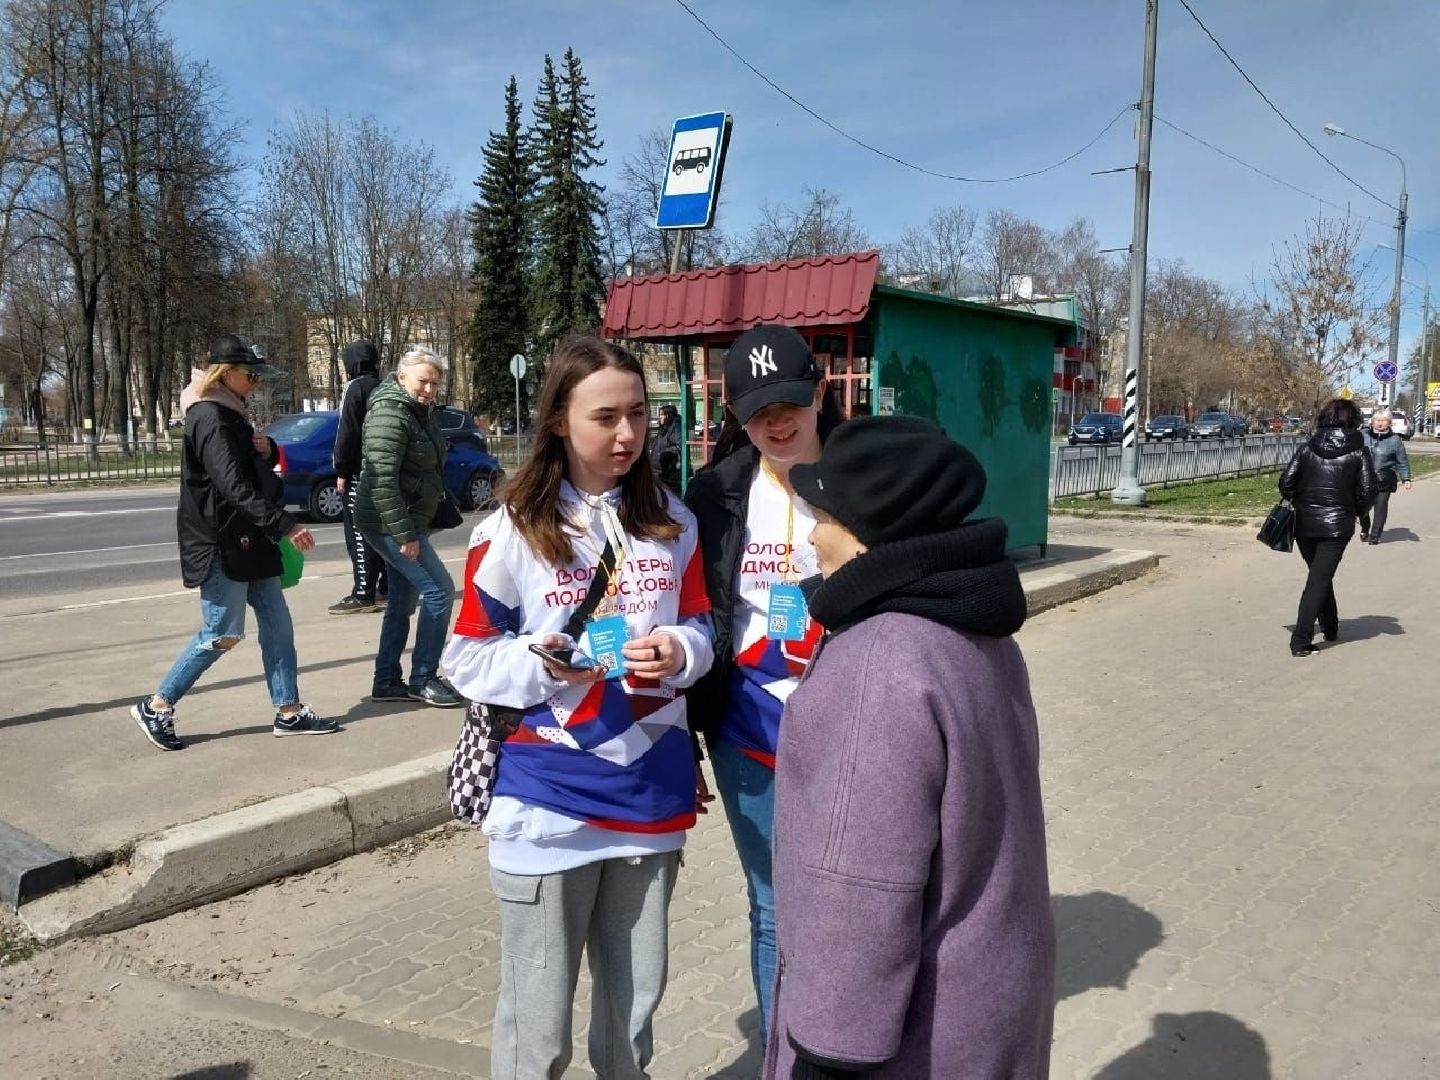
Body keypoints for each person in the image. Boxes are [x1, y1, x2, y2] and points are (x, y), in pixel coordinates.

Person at [442, 335, 714, 1080]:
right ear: (559, 419)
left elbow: (700, 629)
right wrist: (540, 659)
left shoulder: (674, 523)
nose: (628, 434)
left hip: (650, 792)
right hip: (547, 800)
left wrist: (679, 653)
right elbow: (463, 658)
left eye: (639, 415)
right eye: (606, 417)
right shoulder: (511, 530)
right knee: (540, 1037)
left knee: (629, 1030)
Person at [765, 415, 1055, 1080]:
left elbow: (861, 894)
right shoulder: (979, 634)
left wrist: (823, 1056)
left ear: (869, 531)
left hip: (912, 1043)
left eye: (824, 516)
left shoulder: (878, 663)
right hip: (987, 1010)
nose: (812, 535)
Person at [684, 323, 843, 1042]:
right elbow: (696, 606)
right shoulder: (714, 493)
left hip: (851, 722)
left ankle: (850, 1040)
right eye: (756, 410)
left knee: (846, 897)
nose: (776, 422)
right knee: (774, 901)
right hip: (747, 723)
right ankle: (785, 1056)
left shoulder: (864, 474)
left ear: (817, 392)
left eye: (787, 403)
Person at [131, 335, 332, 751]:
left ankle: (288, 712)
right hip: (220, 539)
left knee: (277, 623)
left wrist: (269, 446)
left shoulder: (232, 414)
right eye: (251, 375)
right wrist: (285, 525)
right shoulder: (210, 417)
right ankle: (157, 705)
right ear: (226, 374)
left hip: (248, 537)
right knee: (221, 632)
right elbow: (233, 486)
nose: (257, 383)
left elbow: (249, 468)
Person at [352, 346, 463, 707]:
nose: (429, 390)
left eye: (434, 383)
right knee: (440, 592)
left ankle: (386, 681)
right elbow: (382, 479)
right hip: (388, 522)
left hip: (404, 519)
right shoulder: (390, 413)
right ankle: (423, 678)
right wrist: (404, 535)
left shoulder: (416, 410)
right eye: (422, 381)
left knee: (402, 601)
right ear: (402, 378)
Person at [1279, 398, 1378, 657]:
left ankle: (1331, 626)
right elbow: (1369, 492)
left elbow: (1286, 484)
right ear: (1353, 420)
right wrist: (1354, 510)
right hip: (1337, 527)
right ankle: (1300, 640)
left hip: (1304, 524)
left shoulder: (1307, 448)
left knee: (1319, 575)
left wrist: (1303, 501)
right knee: (1318, 579)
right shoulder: (1359, 451)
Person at [329, 340, 388, 614]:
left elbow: (347, 431)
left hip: (359, 474)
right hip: (385, 474)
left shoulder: (356, 388)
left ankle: (364, 592)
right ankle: (386, 588)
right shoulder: (386, 386)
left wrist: (341, 470)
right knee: (384, 532)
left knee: (359, 533)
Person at [1358, 408, 1412, 544]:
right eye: (1377, 420)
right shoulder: (1363, 436)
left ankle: (1375, 536)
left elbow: (1402, 460)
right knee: (1362, 507)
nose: (1380, 423)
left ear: (1389, 423)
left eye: (1383, 421)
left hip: (1384, 479)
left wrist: (1406, 478)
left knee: (1380, 506)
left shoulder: (1395, 440)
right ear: (1372, 422)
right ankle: (1365, 528)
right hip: (1363, 478)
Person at [650, 403, 682, 492]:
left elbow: (679, 447)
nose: (659, 417)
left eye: (662, 415)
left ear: (669, 415)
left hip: (668, 474)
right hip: (658, 472)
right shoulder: (663, 428)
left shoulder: (675, 428)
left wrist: (662, 453)